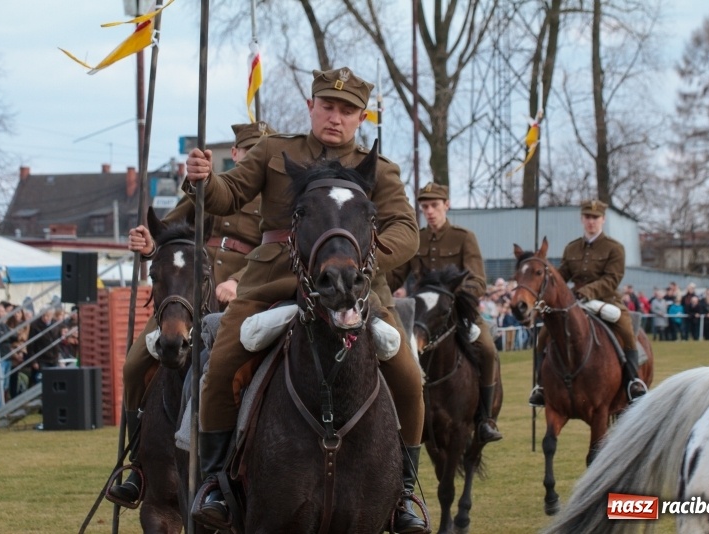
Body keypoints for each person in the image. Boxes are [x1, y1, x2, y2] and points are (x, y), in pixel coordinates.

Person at [184, 67, 427, 533]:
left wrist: (359, 262)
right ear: (312, 107)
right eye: (328, 107)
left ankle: (405, 493)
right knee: (221, 365)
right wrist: (202, 179)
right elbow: (228, 195)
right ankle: (215, 483)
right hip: (275, 277)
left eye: (347, 111)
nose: (336, 118)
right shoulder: (275, 150)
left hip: (355, 283)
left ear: (361, 117)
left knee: (410, 378)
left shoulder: (380, 168)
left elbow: (406, 230)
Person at [106, 121, 276, 507]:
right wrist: (148, 245)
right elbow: (170, 235)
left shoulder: (277, 200)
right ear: (235, 155)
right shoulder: (209, 192)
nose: (254, 160)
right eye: (249, 152)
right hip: (186, 295)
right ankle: (139, 466)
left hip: (248, 295)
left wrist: (238, 281)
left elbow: (279, 254)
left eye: (262, 154)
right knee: (135, 364)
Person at [388, 181, 502, 444]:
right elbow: (396, 276)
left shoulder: (464, 237)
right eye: (425, 207)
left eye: (434, 206)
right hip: (423, 318)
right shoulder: (417, 239)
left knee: (486, 348)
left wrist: (459, 299)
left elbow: (478, 280)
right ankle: (392, 413)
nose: (429, 211)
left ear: (446, 206)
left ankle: (484, 418)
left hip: (457, 314)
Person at [528, 199, 647, 407]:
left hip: (605, 300)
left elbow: (612, 279)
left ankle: (633, 380)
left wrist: (587, 291)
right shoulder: (572, 247)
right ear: (582, 219)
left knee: (626, 327)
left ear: (603, 220)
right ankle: (541, 385)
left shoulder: (614, 248)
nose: (591, 222)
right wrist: (544, 292)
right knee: (544, 335)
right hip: (574, 303)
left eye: (595, 218)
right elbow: (562, 276)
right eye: (587, 217)